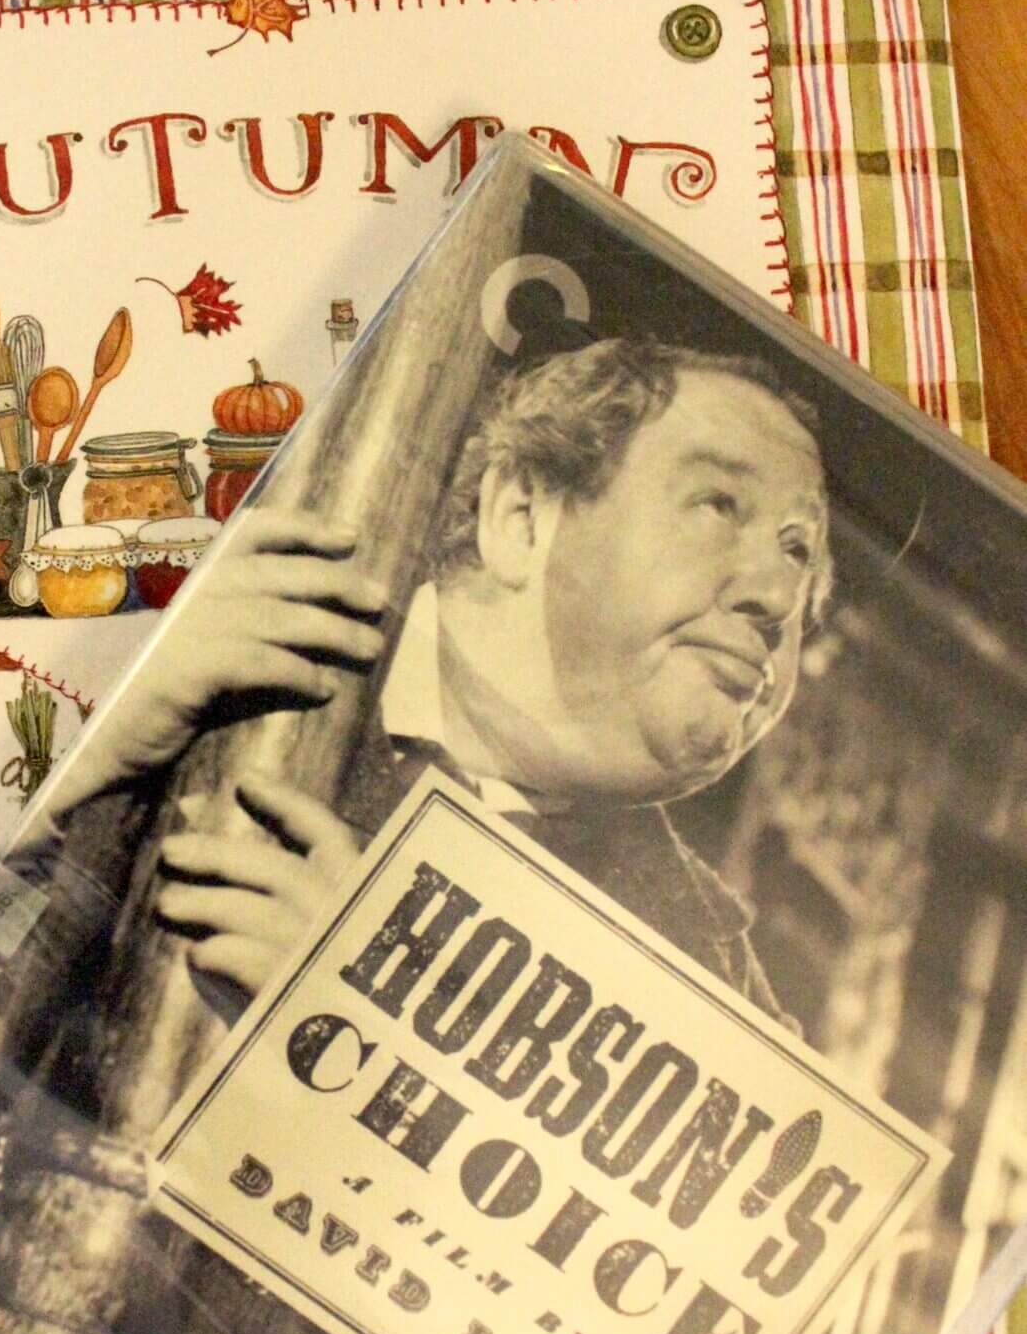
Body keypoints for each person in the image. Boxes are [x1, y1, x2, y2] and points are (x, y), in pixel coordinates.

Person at [47, 336, 832, 1025]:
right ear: (522, 517)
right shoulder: (180, 628)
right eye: (719, 505)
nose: (778, 594)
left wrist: (366, 1035)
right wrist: (63, 749)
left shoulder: (719, 994)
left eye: (799, 551)